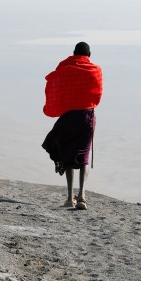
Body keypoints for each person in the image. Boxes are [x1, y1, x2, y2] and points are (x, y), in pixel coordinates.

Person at [41, 42, 103, 210]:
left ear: (74, 53)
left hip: (69, 118)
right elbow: (97, 96)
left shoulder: (66, 69)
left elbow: (53, 80)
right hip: (87, 117)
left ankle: (69, 198)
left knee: (68, 155)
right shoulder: (95, 70)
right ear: (89, 54)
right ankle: (82, 196)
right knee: (83, 156)